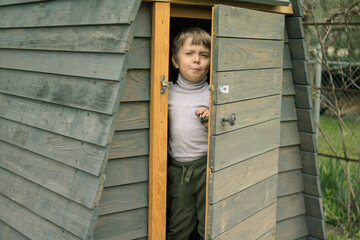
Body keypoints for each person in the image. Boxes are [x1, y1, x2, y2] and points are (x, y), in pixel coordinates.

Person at [167, 27, 211, 240]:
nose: (197, 60)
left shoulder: (213, 94)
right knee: (179, 225)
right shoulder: (167, 95)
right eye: (190, 54)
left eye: (204, 55)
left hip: (206, 167)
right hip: (178, 169)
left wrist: (211, 120)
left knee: (208, 223)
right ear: (175, 61)